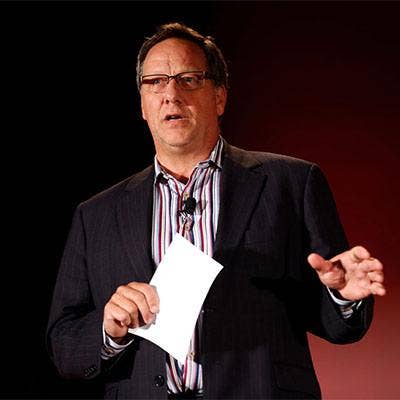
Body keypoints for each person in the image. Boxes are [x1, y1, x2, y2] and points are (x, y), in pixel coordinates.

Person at [46, 22, 386, 399]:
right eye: (155, 82)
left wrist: (343, 296)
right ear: (142, 104)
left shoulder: (292, 183)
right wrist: (109, 329)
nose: (171, 94)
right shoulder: (96, 215)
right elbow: (64, 345)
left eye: (189, 79)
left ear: (219, 96)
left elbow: (338, 325)